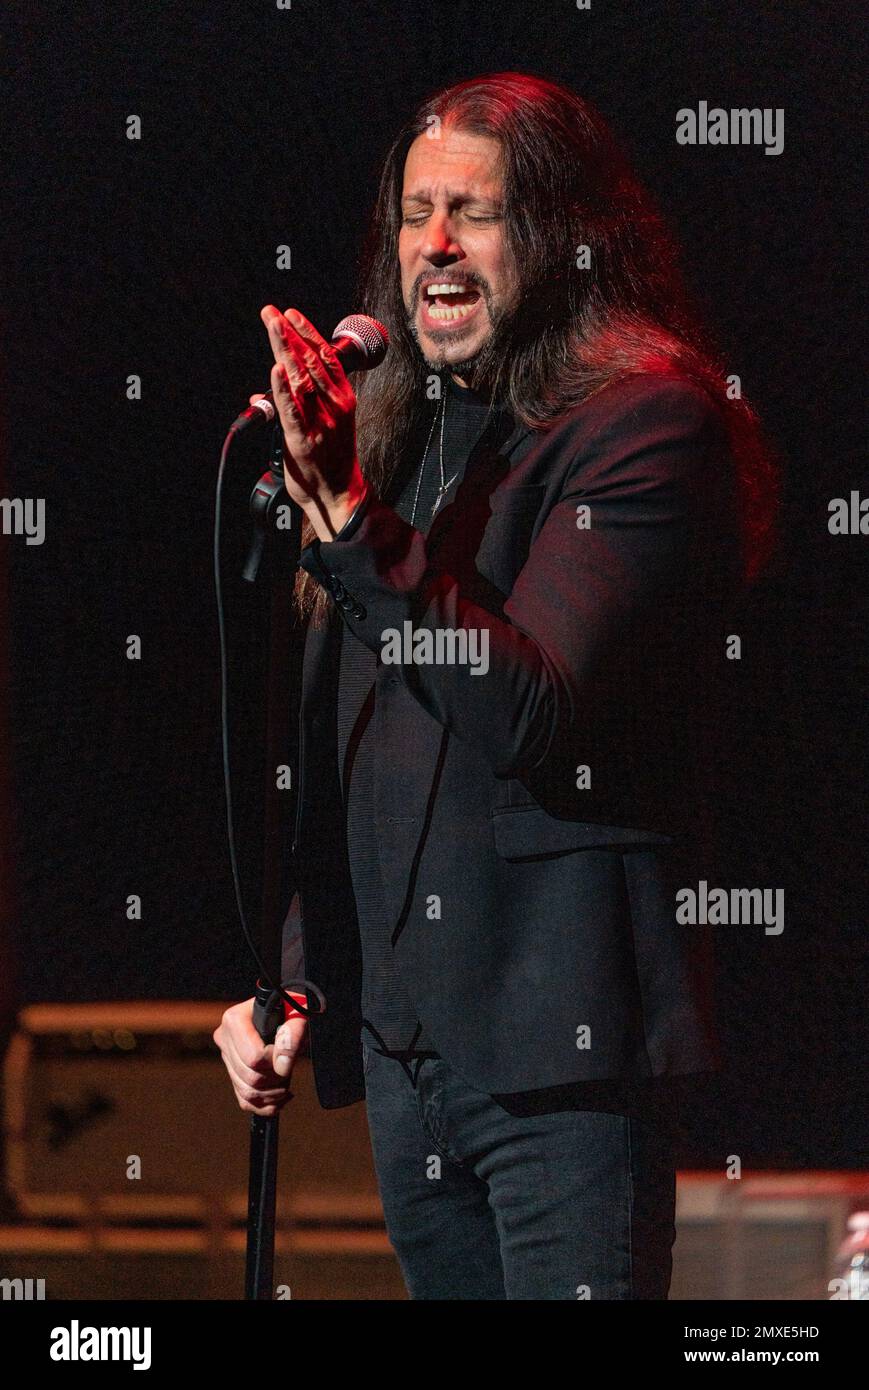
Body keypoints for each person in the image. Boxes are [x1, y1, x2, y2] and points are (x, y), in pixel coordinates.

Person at [214, 72, 777, 1300]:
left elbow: (524, 709)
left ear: (562, 240)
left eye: (474, 213)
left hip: (556, 1071)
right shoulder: (400, 442)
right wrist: (297, 974)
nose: (433, 248)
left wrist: (353, 524)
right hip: (408, 1065)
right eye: (414, 214)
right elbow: (358, 761)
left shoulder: (640, 427)